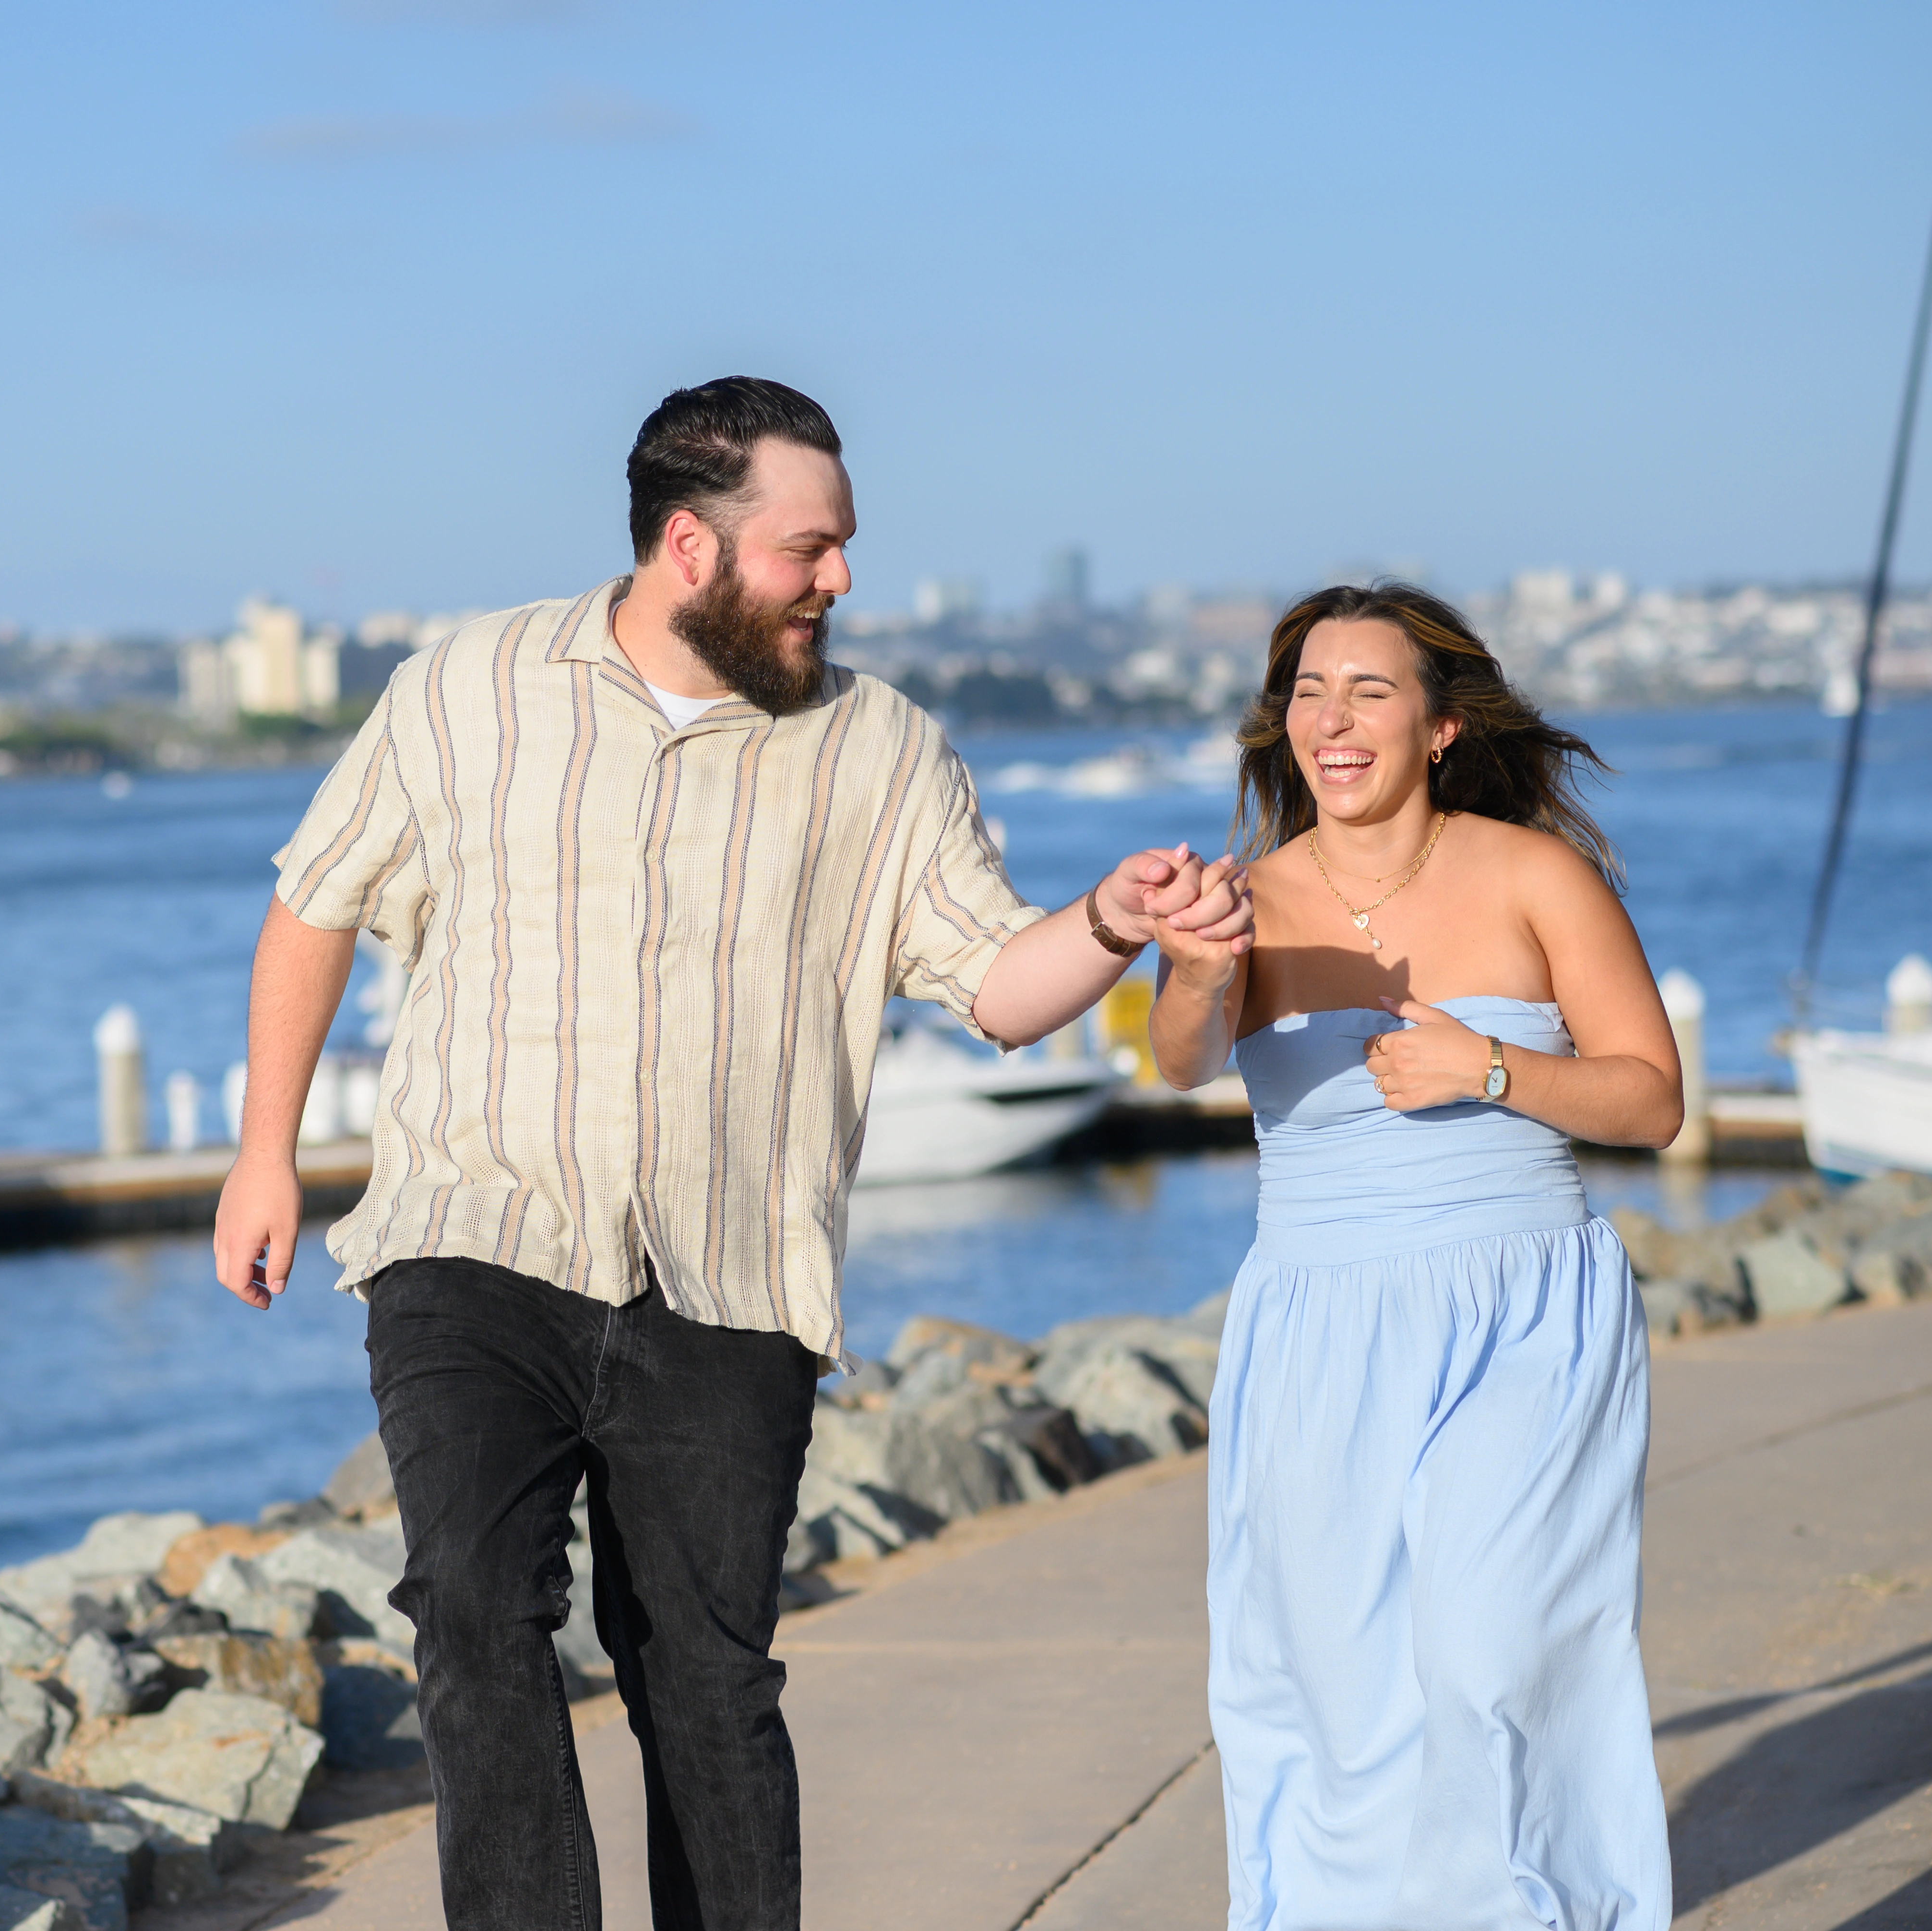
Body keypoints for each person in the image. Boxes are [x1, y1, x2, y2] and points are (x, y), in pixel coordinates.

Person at [212, 375, 1248, 1931]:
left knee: (703, 1679)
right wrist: (262, 1154)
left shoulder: (882, 750)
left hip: (734, 1270)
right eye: (811, 550)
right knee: (477, 1616)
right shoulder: (465, 688)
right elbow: (317, 899)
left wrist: (1109, 923)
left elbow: (999, 993)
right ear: (691, 545)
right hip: (474, 1235)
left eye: (844, 551)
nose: (842, 582)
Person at [1146, 582, 1681, 1931]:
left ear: (1441, 726)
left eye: (1369, 691)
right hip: (1319, 1318)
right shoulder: (1252, 899)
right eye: (1309, 693)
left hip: (1523, 1306)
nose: (1332, 719)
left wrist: (1492, 1068)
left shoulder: (1532, 875)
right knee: (1339, 1692)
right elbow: (1181, 1061)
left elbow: (1651, 1099)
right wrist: (1203, 968)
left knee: (1489, 1651)